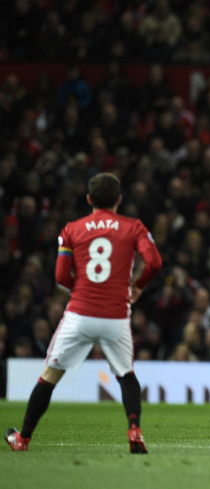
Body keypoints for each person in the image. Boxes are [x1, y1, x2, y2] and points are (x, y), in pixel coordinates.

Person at [5, 173, 162, 453]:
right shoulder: (133, 227)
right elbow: (154, 262)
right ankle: (134, 429)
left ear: (89, 199)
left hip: (80, 313)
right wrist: (137, 287)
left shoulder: (71, 229)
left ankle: (23, 438)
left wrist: (80, 288)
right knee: (126, 375)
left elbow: (60, 275)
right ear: (119, 199)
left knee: (49, 376)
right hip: (116, 314)